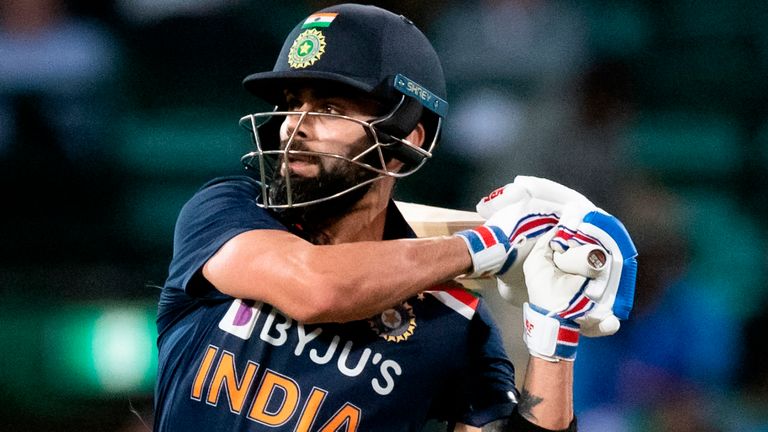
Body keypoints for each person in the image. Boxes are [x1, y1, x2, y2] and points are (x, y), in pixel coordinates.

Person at [153, 4, 635, 431]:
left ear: (407, 140)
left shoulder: (452, 317)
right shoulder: (228, 211)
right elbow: (316, 288)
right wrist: (486, 244)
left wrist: (554, 339)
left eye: (329, 107)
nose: (294, 127)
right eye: (291, 104)